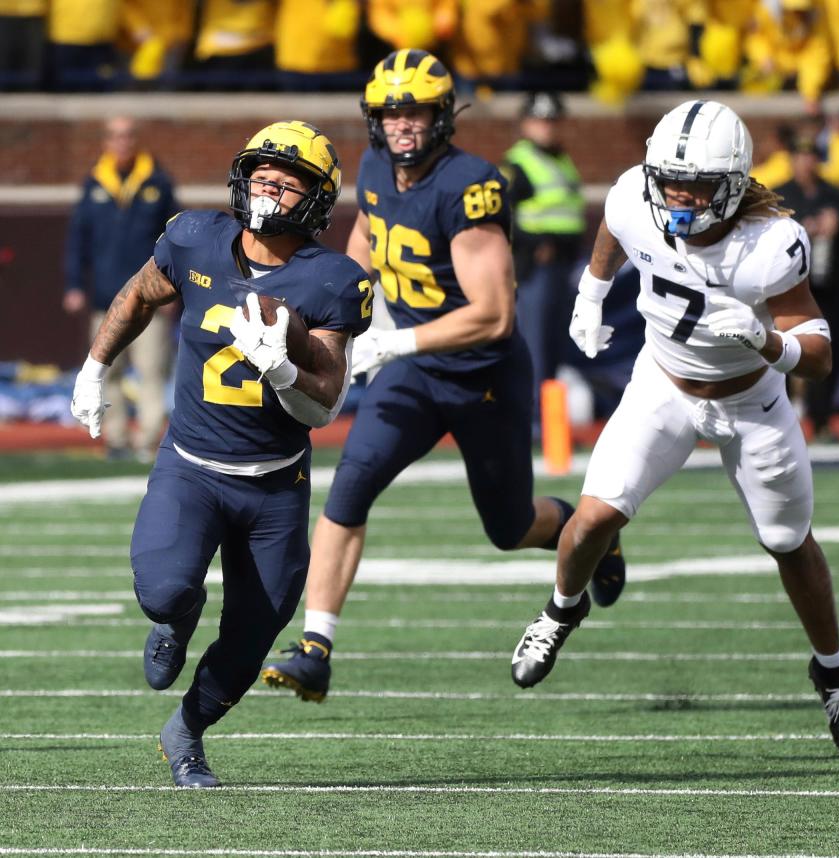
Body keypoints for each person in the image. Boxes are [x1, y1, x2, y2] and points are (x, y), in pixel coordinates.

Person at [510, 100, 839, 759]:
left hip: (752, 402)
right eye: (668, 181)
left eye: (695, 185)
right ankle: (561, 610)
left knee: (789, 543)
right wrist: (591, 294)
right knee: (592, 518)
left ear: (732, 185)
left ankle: (834, 672)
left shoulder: (770, 245)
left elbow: (819, 353)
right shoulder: (634, 195)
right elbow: (617, 231)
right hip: (664, 385)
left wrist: (771, 344)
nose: (676, 196)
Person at [260, 49, 625, 703]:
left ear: (443, 115)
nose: (401, 124)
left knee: (509, 527)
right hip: (414, 371)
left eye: (415, 110)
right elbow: (368, 237)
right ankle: (315, 646)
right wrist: (346, 313)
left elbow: (492, 314)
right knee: (348, 491)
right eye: (389, 111)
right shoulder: (374, 166)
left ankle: (590, 531)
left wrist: (393, 337)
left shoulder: (471, 184)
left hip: (482, 375)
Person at [70, 120, 372, 787]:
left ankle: (187, 734)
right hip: (193, 469)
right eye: (262, 176)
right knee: (164, 589)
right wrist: (95, 365)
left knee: (250, 638)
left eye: (286, 184)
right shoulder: (195, 238)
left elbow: (323, 404)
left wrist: (285, 368)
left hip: (275, 485)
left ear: (316, 201)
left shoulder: (331, 282)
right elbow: (139, 293)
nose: (269, 191)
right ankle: (178, 620)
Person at [64, 117, 180, 462]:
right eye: (116, 136)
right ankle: (114, 439)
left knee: (151, 372)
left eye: (129, 135)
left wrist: (173, 289)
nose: (123, 142)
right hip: (106, 298)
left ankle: (147, 441)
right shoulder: (93, 182)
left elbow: (174, 240)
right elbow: (77, 239)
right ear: (106, 141)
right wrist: (73, 284)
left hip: (151, 300)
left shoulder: (158, 181)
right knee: (105, 370)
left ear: (136, 140)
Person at [501, 91, 586, 432]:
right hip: (535, 268)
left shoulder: (561, 160)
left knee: (553, 349)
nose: (547, 128)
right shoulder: (518, 164)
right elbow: (500, 215)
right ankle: (533, 424)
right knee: (534, 348)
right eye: (540, 120)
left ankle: (550, 428)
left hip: (563, 266)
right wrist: (533, 245)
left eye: (552, 120)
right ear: (525, 123)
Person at [777, 133, 839, 440]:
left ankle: (821, 420)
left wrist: (836, 219)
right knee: (782, 353)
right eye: (800, 157)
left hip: (823, 286)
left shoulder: (831, 195)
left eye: (810, 157)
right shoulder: (781, 195)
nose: (805, 163)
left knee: (821, 352)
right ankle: (781, 423)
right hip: (785, 289)